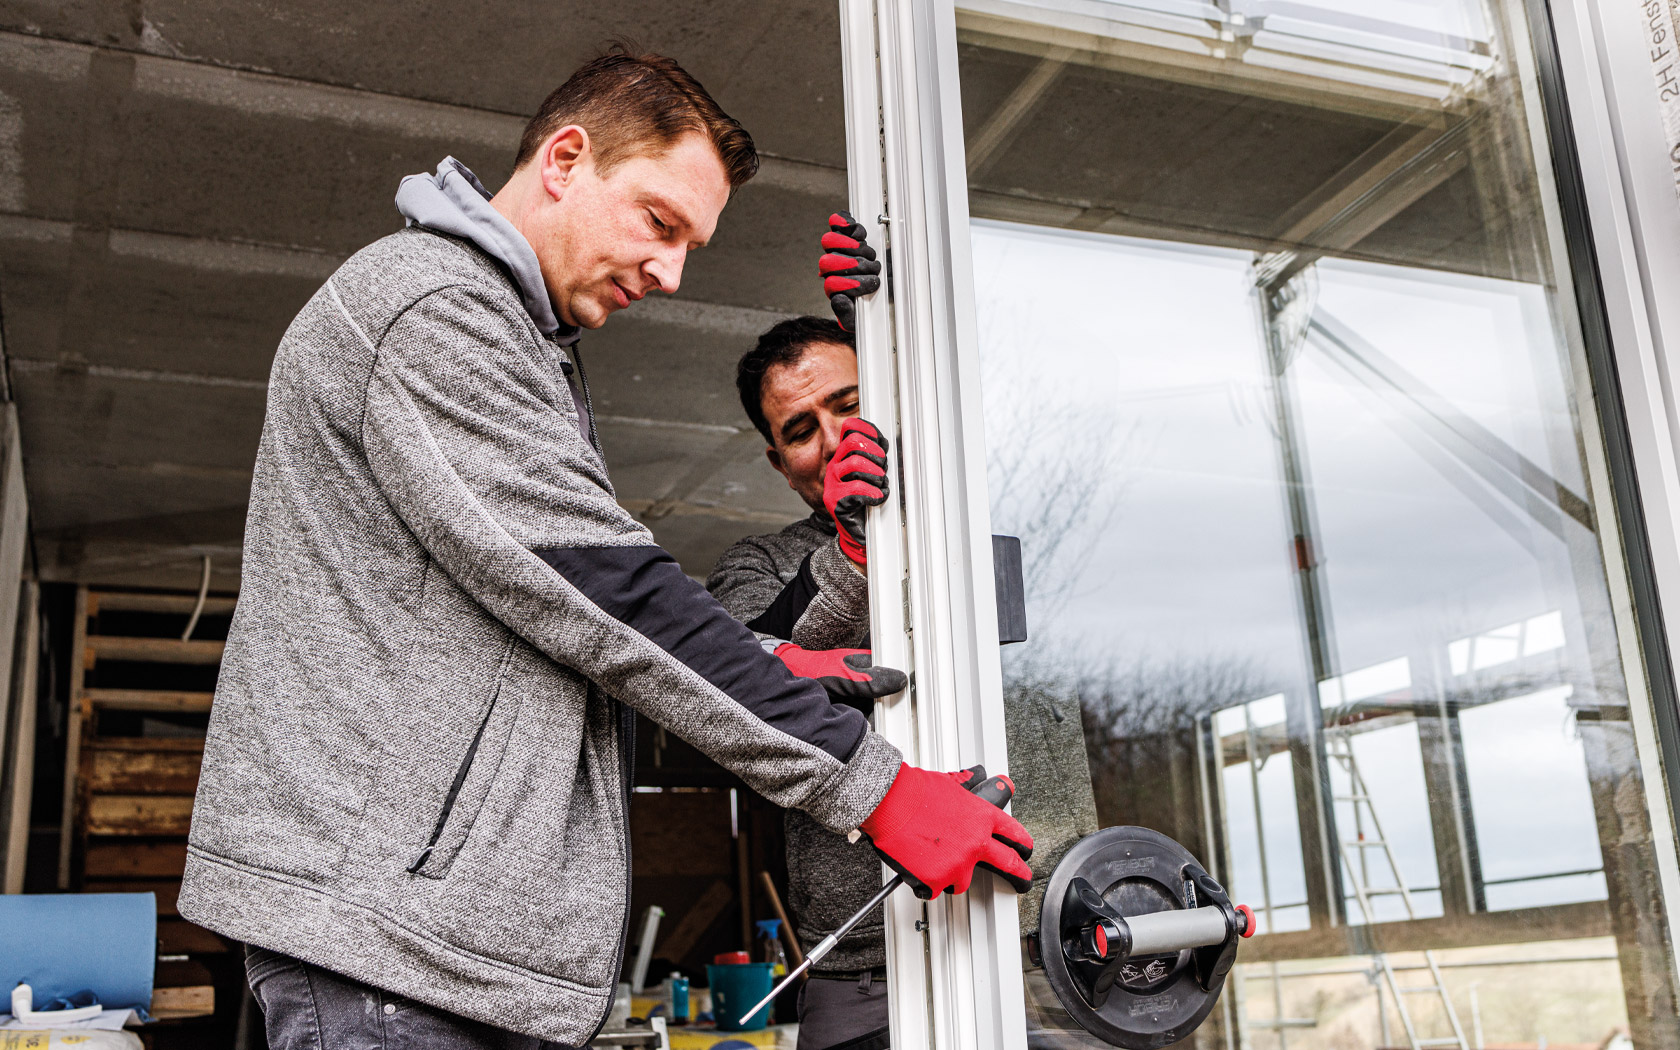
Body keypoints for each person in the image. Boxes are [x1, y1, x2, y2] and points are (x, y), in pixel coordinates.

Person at [177, 48, 1033, 1050]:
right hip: (392, 953)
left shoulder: (516, 339)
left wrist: (887, 331)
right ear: (565, 160)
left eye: (690, 246)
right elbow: (605, 591)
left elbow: (538, 616)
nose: (670, 273)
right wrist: (874, 785)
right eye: (659, 223)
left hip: (436, 949)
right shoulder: (435, 309)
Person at [709, 214, 1099, 1050]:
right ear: (778, 463)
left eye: (849, 403)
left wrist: (892, 328)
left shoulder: (982, 512)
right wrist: (855, 551)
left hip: (1043, 931)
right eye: (800, 429)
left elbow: (1021, 404)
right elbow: (734, 680)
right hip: (866, 962)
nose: (832, 437)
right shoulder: (755, 564)